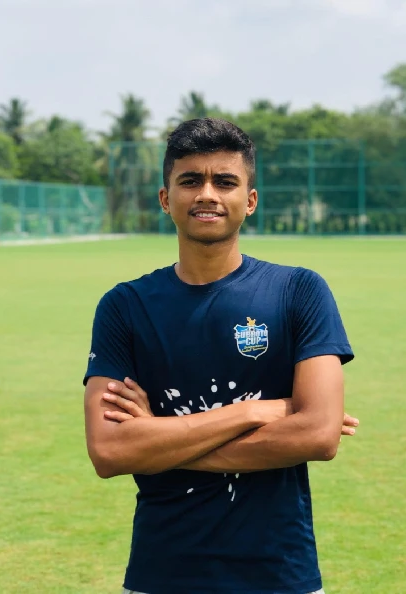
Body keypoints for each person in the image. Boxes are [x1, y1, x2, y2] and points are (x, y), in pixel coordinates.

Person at [82, 118, 360, 594]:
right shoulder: (124, 306)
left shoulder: (299, 291)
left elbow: (318, 435)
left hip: (279, 573)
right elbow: (110, 451)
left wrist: (159, 445)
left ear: (249, 201)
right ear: (166, 198)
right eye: (190, 180)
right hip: (162, 573)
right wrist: (253, 412)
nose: (207, 193)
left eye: (225, 181)